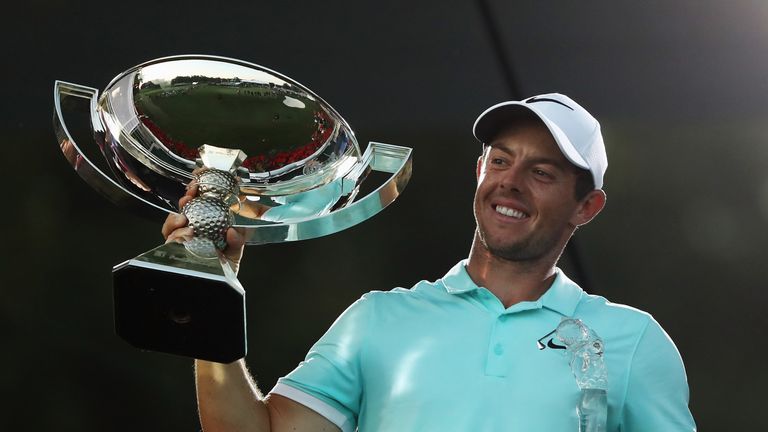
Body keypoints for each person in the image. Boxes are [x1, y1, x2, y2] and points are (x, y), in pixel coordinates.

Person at [163, 93, 696, 431]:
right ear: (479, 171)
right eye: (501, 160)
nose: (509, 181)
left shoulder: (632, 342)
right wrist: (215, 283)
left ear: (587, 206)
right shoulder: (378, 319)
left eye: (542, 172)